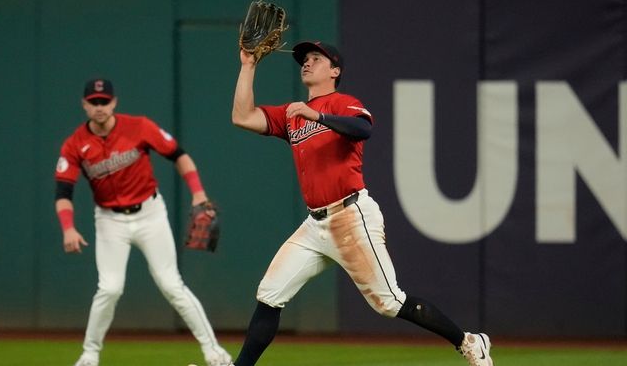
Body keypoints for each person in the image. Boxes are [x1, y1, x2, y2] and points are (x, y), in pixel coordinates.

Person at [229, 41, 494, 366]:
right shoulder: (291, 115)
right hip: (314, 225)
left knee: (390, 302)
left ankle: (468, 341)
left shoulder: (343, 103)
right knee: (269, 294)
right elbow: (242, 116)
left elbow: (363, 128)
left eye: (316, 58)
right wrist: (248, 66)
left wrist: (319, 115)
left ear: (335, 71)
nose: (307, 63)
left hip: (351, 217)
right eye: (304, 60)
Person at [54, 78, 232, 366]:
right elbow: (63, 191)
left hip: (150, 214)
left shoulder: (139, 126)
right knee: (110, 288)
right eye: (94, 102)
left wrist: (198, 192)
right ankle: (89, 354)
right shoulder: (74, 144)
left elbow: (179, 155)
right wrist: (68, 228)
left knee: (172, 285)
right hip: (110, 220)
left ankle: (215, 352)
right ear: (84, 104)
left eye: (104, 101)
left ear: (114, 102)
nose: (99, 107)